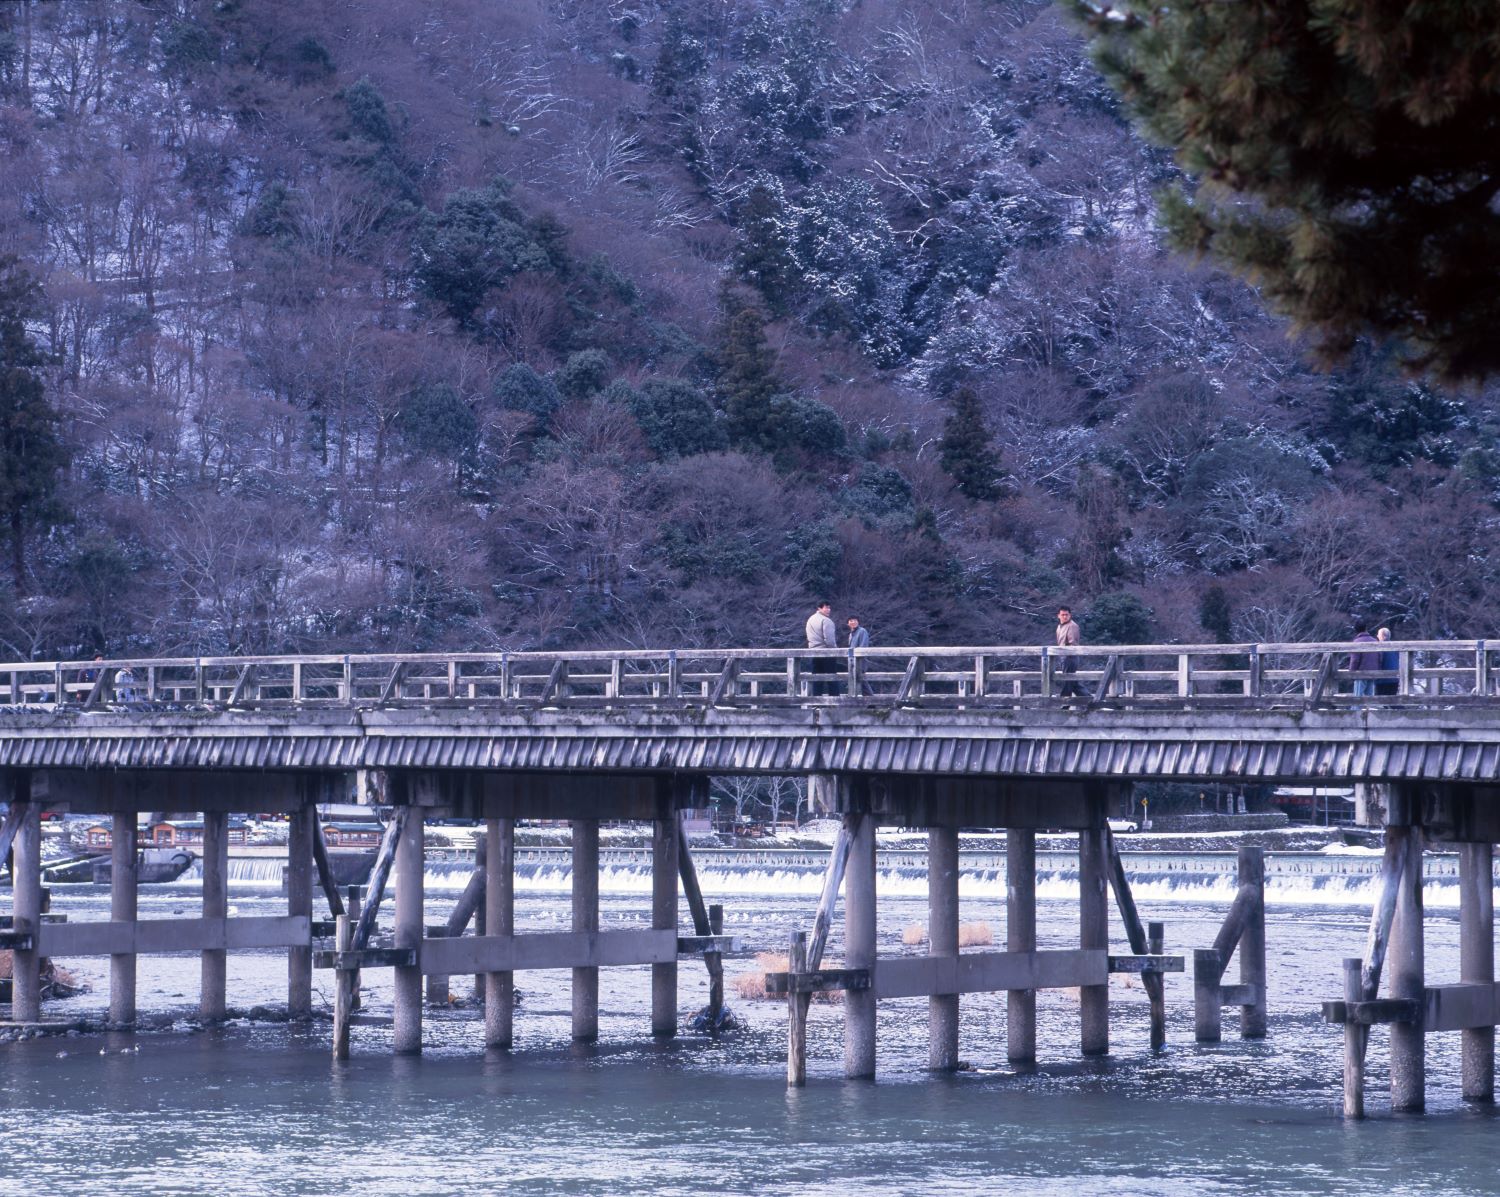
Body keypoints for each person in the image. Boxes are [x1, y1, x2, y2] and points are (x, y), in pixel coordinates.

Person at [805, 601, 838, 696]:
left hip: (814, 652)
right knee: (832, 679)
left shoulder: (810, 619)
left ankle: (816, 703)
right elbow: (830, 640)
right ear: (819, 608)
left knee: (817, 679)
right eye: (826, 608)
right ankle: (834, 703)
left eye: (829, 608)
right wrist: (835, 651)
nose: (829, 610)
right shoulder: (826, 620)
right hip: (827, 652)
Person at [1055, 606, 1082, 698]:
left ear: (1070, 615)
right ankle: (1090, 700)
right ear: (1058, 615)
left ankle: (1064, 703)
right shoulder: (1060, 626)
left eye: (1066, 615)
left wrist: (1066, 655)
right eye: (1062, 615)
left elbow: (1073, 644)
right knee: (1072, 683)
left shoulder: (1072, 626)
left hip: (1070, 657)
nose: (1065, 617)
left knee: (1067, 681)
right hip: (1063, 657)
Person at [1348, 628, 1379, 697]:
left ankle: (1355, 708)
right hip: (1373, 672)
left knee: (1357, 698)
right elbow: (1380, 657)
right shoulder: (1375, 641)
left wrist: (1351, 672)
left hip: (1361, 673)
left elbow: (1355, 660)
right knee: (1370, 698)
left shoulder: (1357, 642)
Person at [846, 617, 872, 696]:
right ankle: (868, 701)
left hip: (860, 660)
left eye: (855, 620)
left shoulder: (862, 631)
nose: (853, 622)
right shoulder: (851, 634)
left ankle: (871, 700)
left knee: (862, 679)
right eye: (851, 621)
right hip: (852, 661)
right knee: (857, 680)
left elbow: (863, 646)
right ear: (848, 623)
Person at [1375, 627, 1399, 696]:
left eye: (1379, 635)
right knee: (1392, 700)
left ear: (1384, 637)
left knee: (1381, 701)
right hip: (1394, 679)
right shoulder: (1395, 647)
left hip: (1382, 680)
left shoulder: (1379, 647)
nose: (1377, 636)